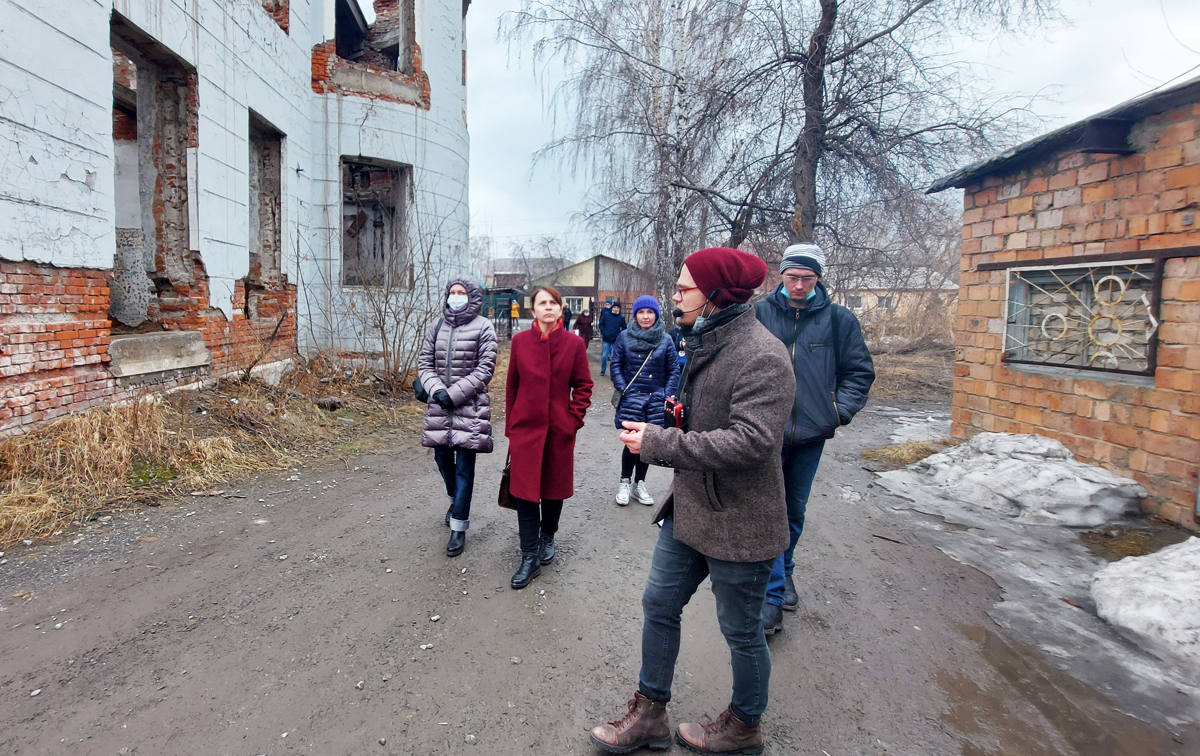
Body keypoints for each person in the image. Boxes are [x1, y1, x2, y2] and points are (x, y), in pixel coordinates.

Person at [590, 247, 794, 755]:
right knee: (659, 604)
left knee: (742, 631)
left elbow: (752, 441)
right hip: (690, 510)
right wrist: (671, 419)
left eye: (683, 289)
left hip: (741, 520)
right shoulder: (703, 340)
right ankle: (650, 715)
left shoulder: (763, 355)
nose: (674, 296)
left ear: (717, 296)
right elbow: (706, 423)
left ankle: (744, 727)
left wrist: (660, 443)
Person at [754, 243, 874, 636]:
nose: (799, 284)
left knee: (793, 508)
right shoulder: (758, 313)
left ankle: (784, 573)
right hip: (764, 430)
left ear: (818, 278)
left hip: (810, 433)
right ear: (781, 276)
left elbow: (859, 372)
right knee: (769, 507)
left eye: (807, 278)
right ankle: (771, 597)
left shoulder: (839, 320)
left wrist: (837, 412)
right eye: (792, 277)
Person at [504, 286, 594, 589]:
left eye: (553, 303)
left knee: (553, 491)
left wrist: (572, 421)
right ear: (533, 310)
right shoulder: (519, 343)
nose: (548, 307)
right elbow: (512, 388)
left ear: (560, 308)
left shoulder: (573, 344)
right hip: (526, 430)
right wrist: (512, 427)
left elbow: (583, 386)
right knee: (526, 495)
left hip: (559, 431)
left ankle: (548, 535)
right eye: (542, 303)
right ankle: (528, 557)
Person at [418, 277, 498, 557]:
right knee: (442, 460)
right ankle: (455, 501)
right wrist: (437, 390)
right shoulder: (436, 326)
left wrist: (454, 394)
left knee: (465, 469)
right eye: (452, 292)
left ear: (472, 296)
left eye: (461, 292)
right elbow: (424, 363)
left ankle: (459, 527)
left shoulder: (484, 327)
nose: (455, 296)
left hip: (469, 409)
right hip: (439, 406)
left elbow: (485, 369)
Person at [610, 295, 680, 507]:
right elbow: (616, 364)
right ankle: (624, 481)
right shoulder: (624, 336)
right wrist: (623, 387)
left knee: (647, 444)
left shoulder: (665, 339)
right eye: (641, 312)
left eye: (650, 312)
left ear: (656, 315)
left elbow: (673, 370)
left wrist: (667, 395)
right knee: (630, 441)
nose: (645, 316)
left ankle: (639, 484)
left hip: (655, 400)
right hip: (633, 397)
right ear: (635, 315)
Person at [598, 302, 627, 376]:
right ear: (612, 308)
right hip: (606, 338)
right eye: (614, 307)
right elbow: (601, 324)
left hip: (616, 339)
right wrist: (603, 332)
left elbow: (624, 328)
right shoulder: (606, 315)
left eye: (617, 308)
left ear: (619, 309)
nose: (616, 309)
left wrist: (619, 335)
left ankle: (614, 371)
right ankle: (603, 370)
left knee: (615, 356)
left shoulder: (621, 318)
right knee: (604, 355)